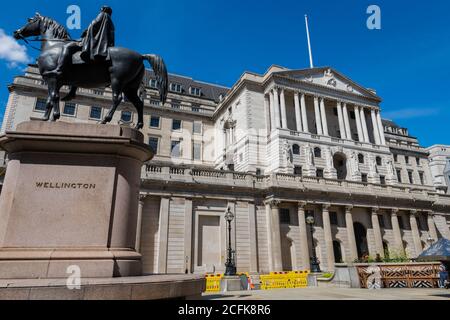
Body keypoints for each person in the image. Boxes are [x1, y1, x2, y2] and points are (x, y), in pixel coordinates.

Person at [49, 6, 115, 77]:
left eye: (101, 9)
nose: (100, 10)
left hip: (91, 41)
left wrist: (86, 31)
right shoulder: (110, 21)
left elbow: (94, 24)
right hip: (99, 42)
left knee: (67, 47)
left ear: (103, 9)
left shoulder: (102, 15)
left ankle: (59, 69)